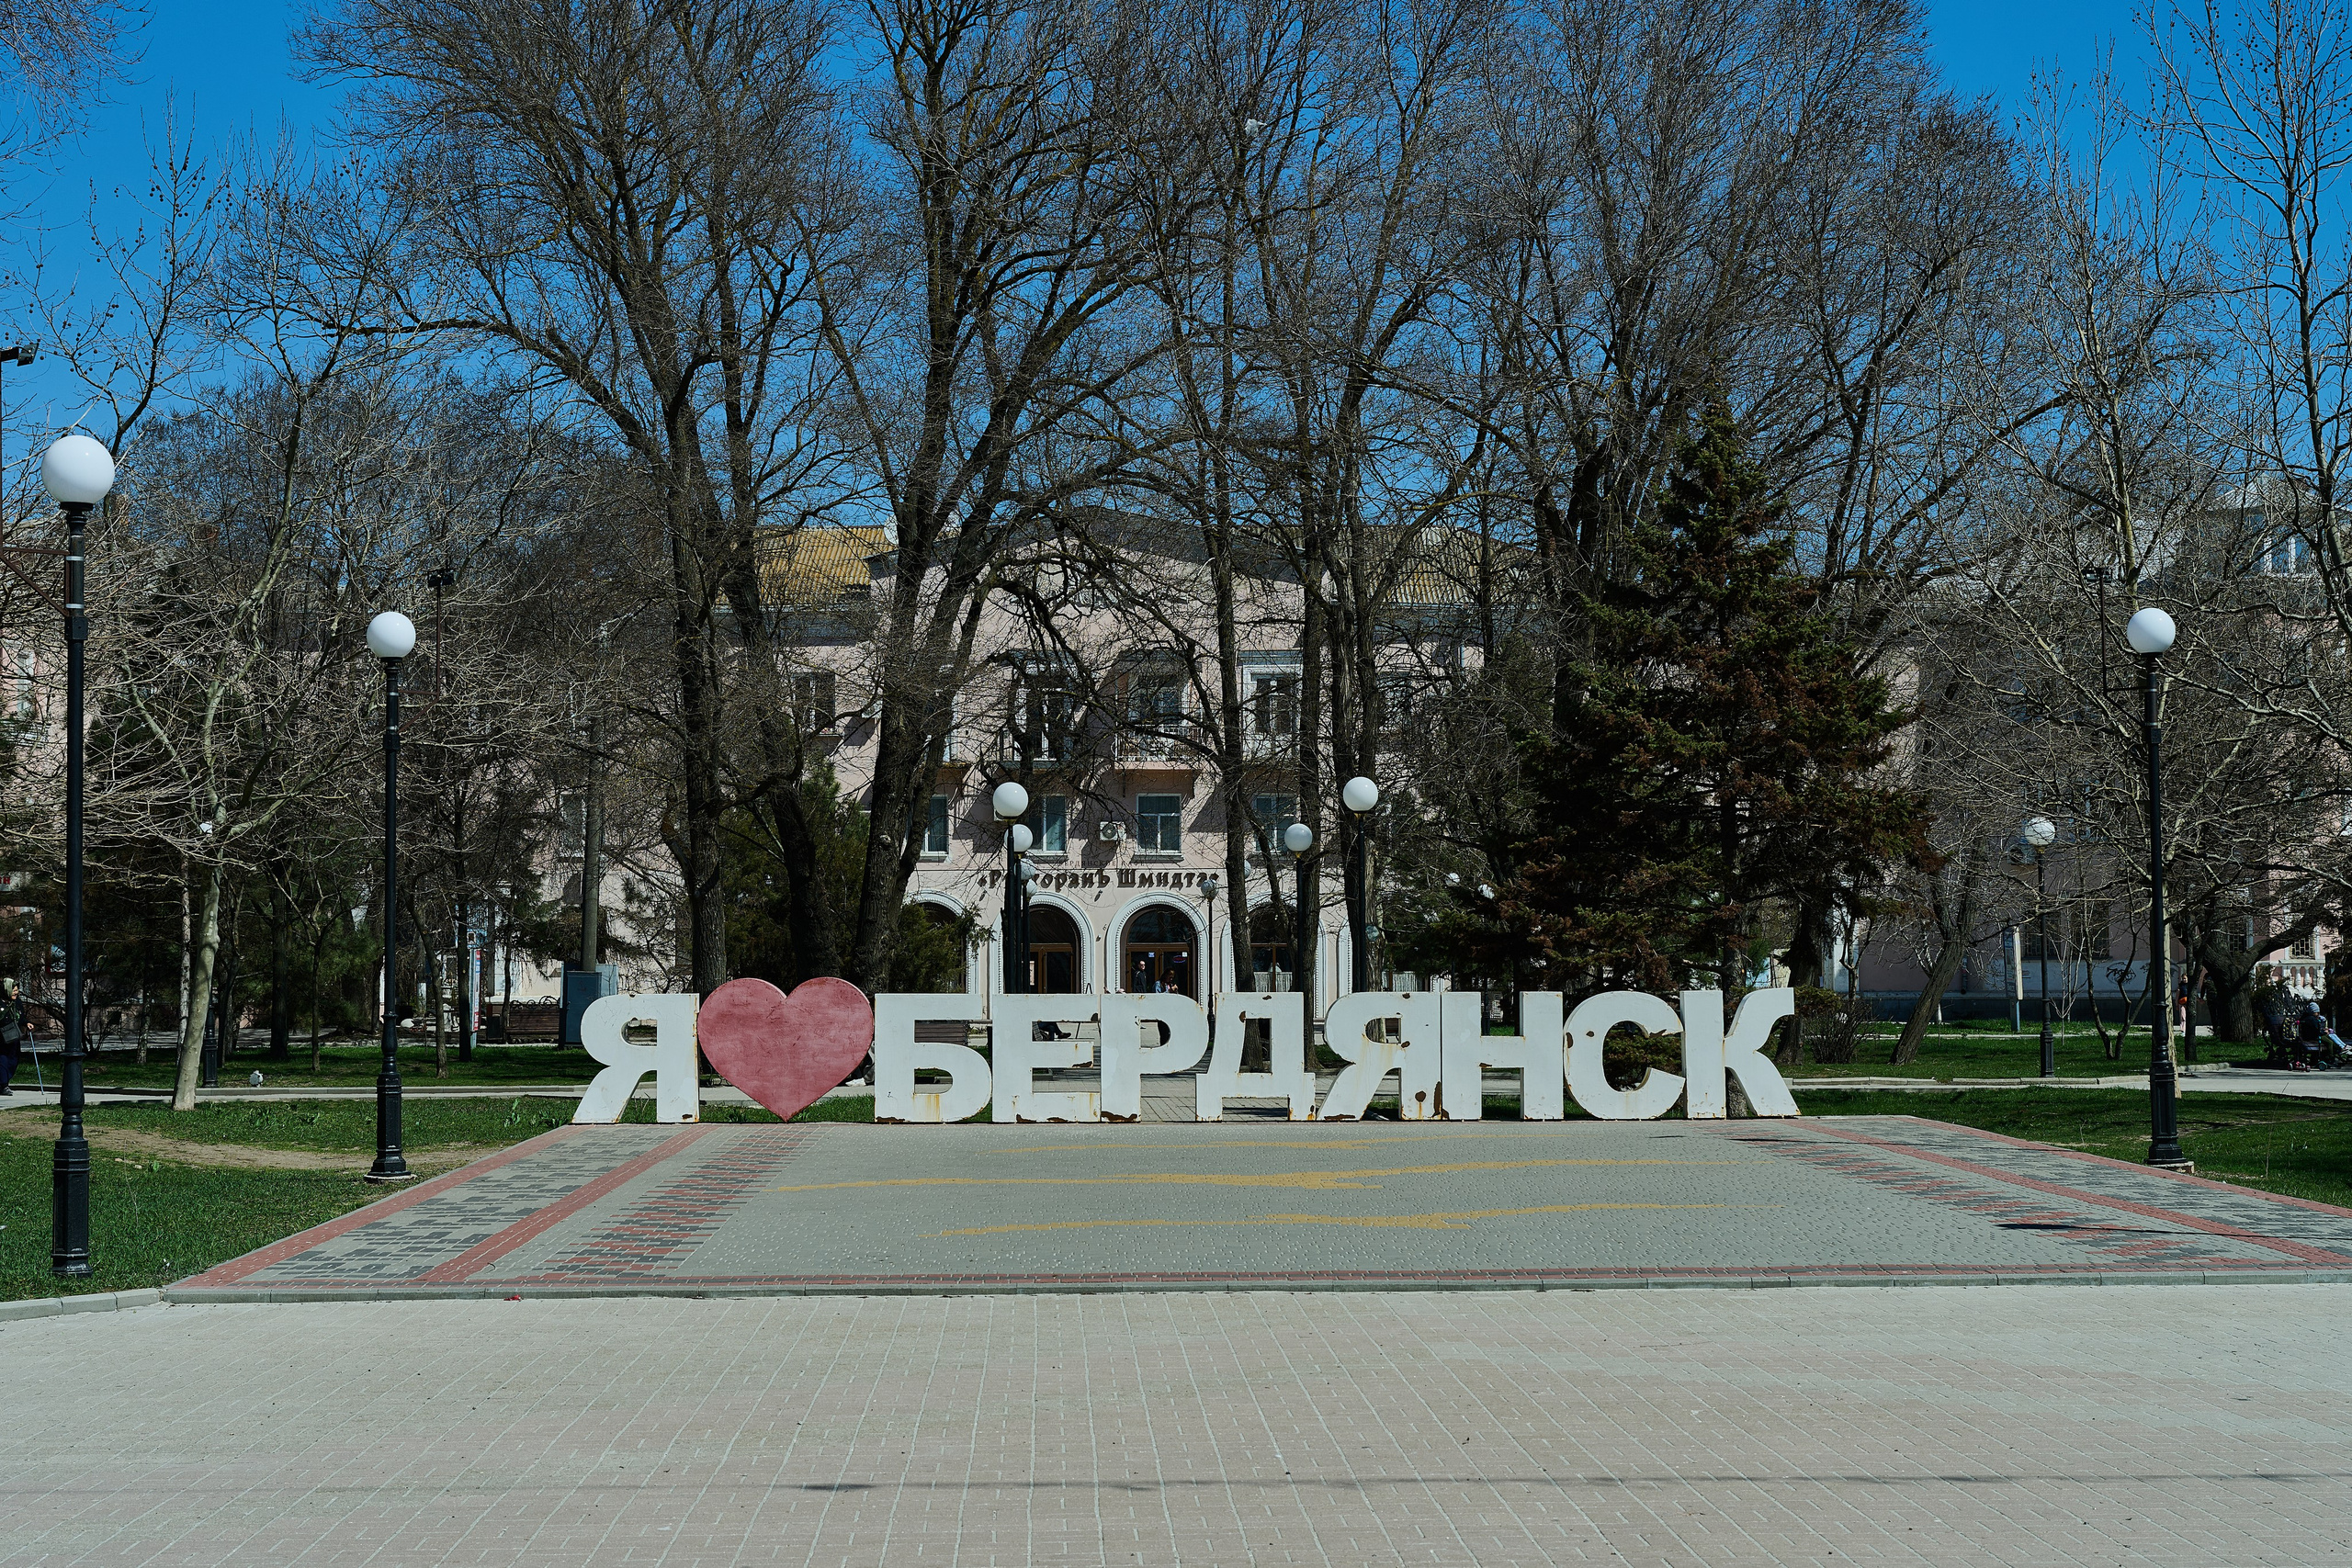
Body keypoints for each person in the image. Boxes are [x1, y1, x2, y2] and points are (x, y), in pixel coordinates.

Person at [0, 977, 27, 1096]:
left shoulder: (17, 1002)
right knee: (2, 1060)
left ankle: (5, 1081)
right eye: (13, 990)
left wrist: (27, 1023)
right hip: (1, 1038)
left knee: (13, 1060)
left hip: (14, 1036)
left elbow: (21, 1016)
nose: (16, 992)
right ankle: (4, 1085)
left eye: (17, 990)